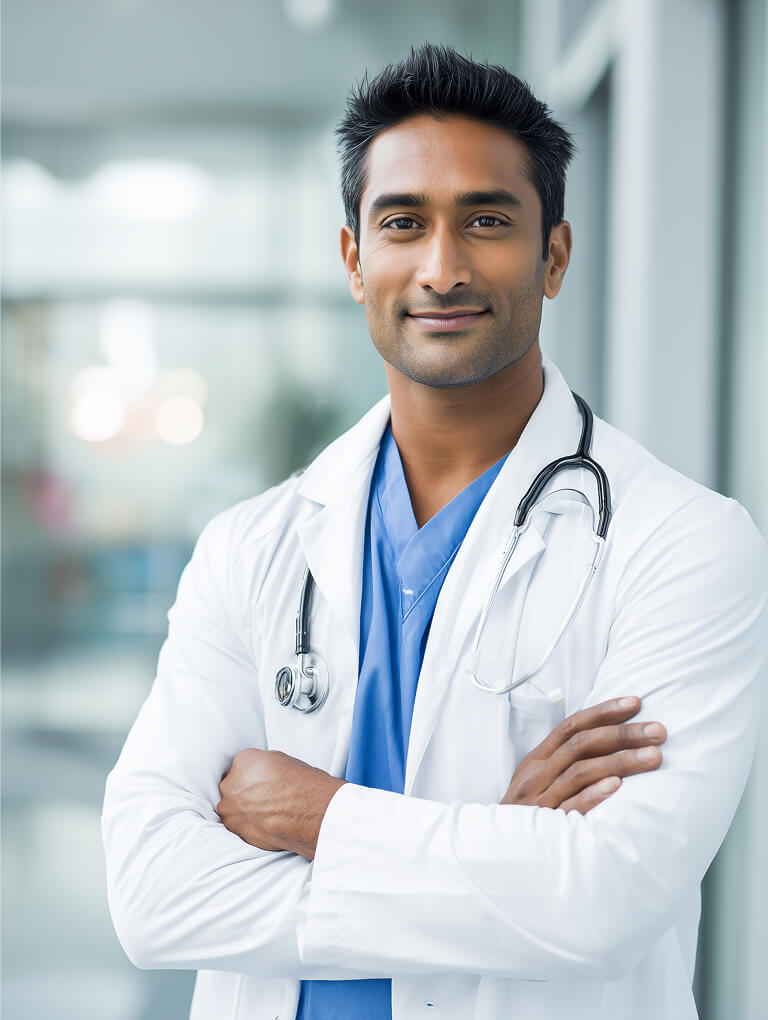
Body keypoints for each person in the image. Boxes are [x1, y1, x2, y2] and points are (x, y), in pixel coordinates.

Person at [102, 44, 768, 1020]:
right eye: (403, 223)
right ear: (353, 258)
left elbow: (606, 899)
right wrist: (494, 850)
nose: (443, 268)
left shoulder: (682, 544)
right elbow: (152, 895)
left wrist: (321, 818)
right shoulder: (252, 548)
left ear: (554, 255)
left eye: (487, 222)